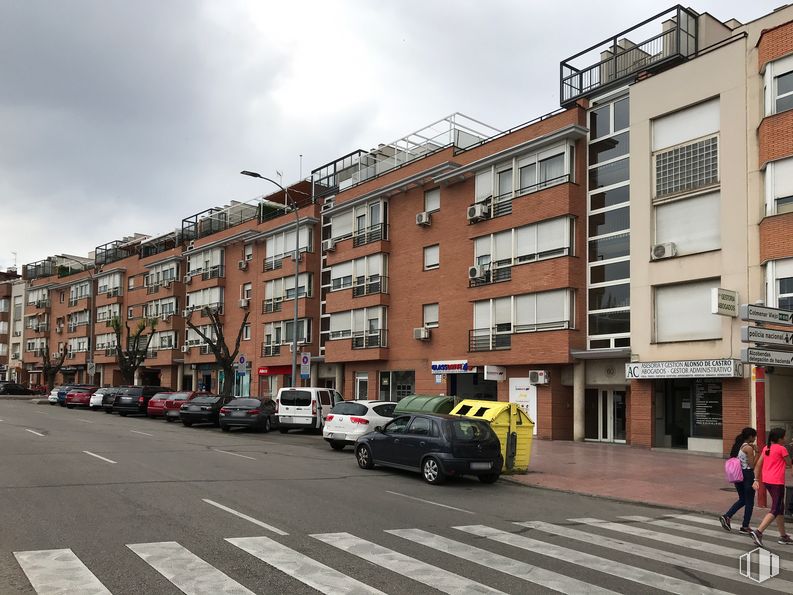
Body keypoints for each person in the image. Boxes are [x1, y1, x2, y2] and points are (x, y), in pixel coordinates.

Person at [751, 427, 792, 547]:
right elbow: (789, 463)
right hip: (777, 482)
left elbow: (758, 464)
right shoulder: (782, 449)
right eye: (784, 436)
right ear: (780, 438)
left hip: (767, 481)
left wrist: (756, 479)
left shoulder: (767, 448)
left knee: (780, 508)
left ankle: (783, 536)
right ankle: (758, 532)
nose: (786, 438)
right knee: (775, 509)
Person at [719, 427, 758, 534]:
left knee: (743, 499)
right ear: (750, 436)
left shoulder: (738, 445)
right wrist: (757, 453)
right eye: (754, 436)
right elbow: (752, 465)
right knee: (749, 501)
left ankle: (727, 516)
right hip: (747, 474)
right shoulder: (749, 449)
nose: (755, 438)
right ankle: (745, 526)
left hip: (738, 475)